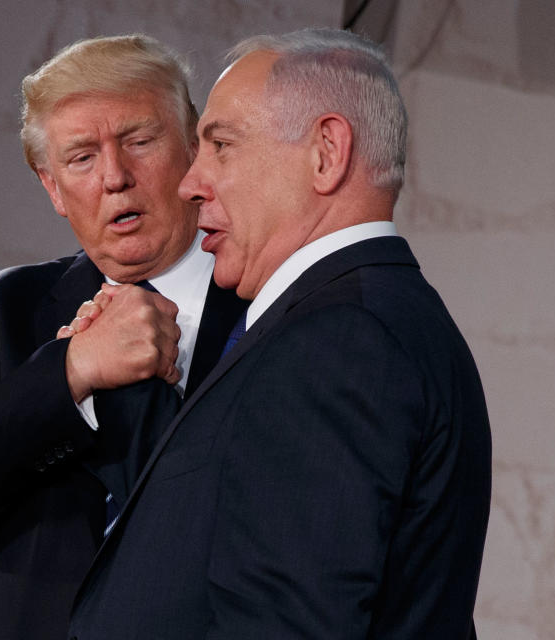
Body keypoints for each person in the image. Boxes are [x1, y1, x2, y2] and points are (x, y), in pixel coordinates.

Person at [67, 28, 491, 639]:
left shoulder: (342, 341)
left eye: (221, 145)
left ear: (326, 152)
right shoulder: (368, 323)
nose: (190, 183)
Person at [0, 35, 246, 640]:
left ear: (193, 146)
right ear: (52, 186)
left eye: (139, 141)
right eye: (82, 157)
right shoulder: (8, 311)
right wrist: (70, 370)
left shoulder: (264, 303)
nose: (115, 176)